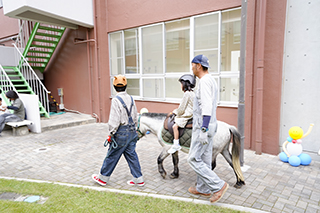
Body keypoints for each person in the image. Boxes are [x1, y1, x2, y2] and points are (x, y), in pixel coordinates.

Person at [187, 55, 229, 203]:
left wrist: (203, 129)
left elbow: (206, 106)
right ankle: (202, 188)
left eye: (192, 65)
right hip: (212, 125)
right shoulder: (211, 80)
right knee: (204, 158)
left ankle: (218, 185)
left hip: (203, 126)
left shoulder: (204, 82)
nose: (191, 68)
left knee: (192, 158)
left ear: (198, 65)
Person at [92, 75, 145, 186]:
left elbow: (114, 120)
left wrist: (111, 133)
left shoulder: (116, 100)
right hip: (131, 132)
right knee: (132, 155)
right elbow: (135, 116)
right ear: (126, 86)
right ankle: (139, 179)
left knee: (112, 155)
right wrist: (134, 129)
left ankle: (102, 178)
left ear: (114, 87)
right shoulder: (131, 98)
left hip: (121, 133)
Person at [168, 74, 195, 154]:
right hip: (192, 113)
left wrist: (175, 112)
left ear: (185, 84)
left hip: (188, 114)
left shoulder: (187, 94)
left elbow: (182, 109)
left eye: (181, 83)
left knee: (175, 126)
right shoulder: (193, 93)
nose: (180, 85)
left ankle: (176, 144)